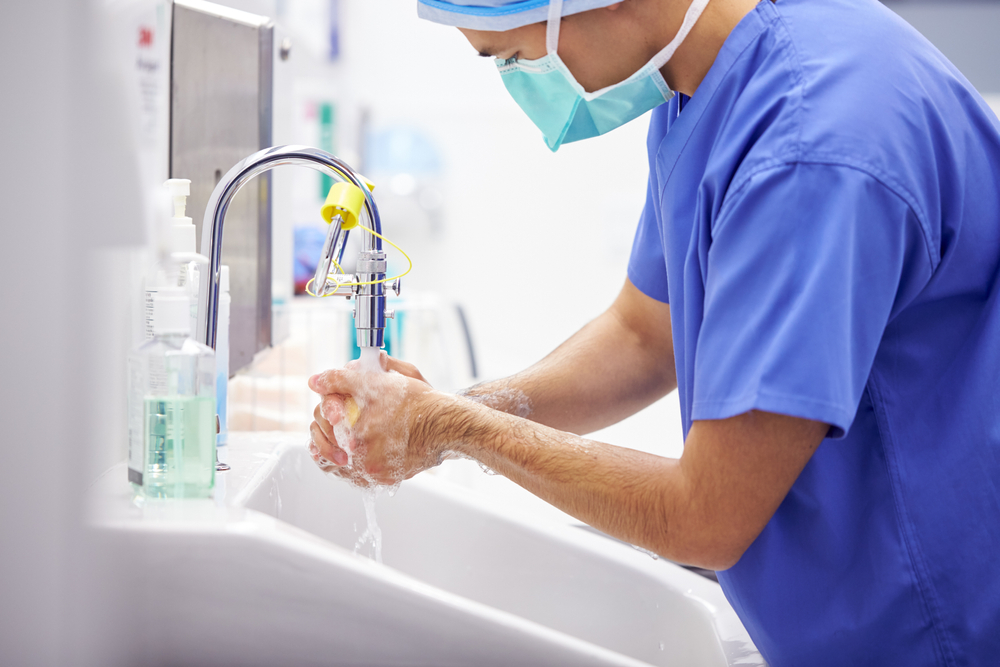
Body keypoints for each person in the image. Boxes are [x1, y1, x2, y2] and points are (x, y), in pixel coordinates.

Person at [307, 0, 1000, 664]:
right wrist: (454, 410)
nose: (519, 82)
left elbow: (707, 515)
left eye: (512, 56)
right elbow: (644, 334)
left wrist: (457, 430)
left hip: (936, 630)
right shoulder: (700, 84)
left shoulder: (808, 150)